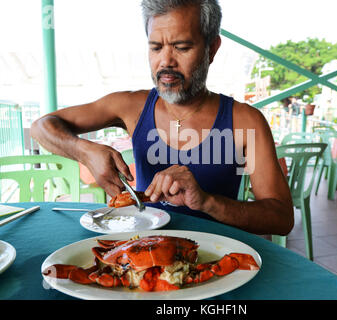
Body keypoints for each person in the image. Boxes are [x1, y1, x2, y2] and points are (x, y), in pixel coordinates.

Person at [31, 0, 294, 235]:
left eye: (181, 47)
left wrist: (206, 201)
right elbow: (42, 126)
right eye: (156, 47)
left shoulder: (245, 120)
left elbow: (281, 218)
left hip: (216, 265)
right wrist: (85, 152)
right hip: (143, 259)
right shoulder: (130, 105)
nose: (166, 61)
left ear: (212, 49)